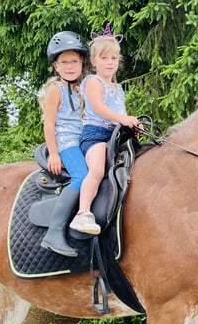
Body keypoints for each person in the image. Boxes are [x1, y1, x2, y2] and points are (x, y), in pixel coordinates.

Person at [69, 30, 141, 235]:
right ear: (93, 61)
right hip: (95, 135)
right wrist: (123, 120)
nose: (110, 62)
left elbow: (121, 114)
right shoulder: (93, 82)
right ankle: (82, 213)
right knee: (98, 169)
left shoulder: (118, 89)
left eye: (114, 58)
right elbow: (100, 108)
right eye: (104, 58)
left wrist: (132, 125)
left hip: (115, 136)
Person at [39, 31, 89, 256]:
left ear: (82, 64)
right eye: (64, 62)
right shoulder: (55, 90)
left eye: (74, 62)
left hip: (84, 141)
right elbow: (49, 124)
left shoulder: (82, 89)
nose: (70, 66)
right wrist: (55, 154)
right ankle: (54, 232)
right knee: (82, 176)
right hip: (67, 142)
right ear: (56, 66)